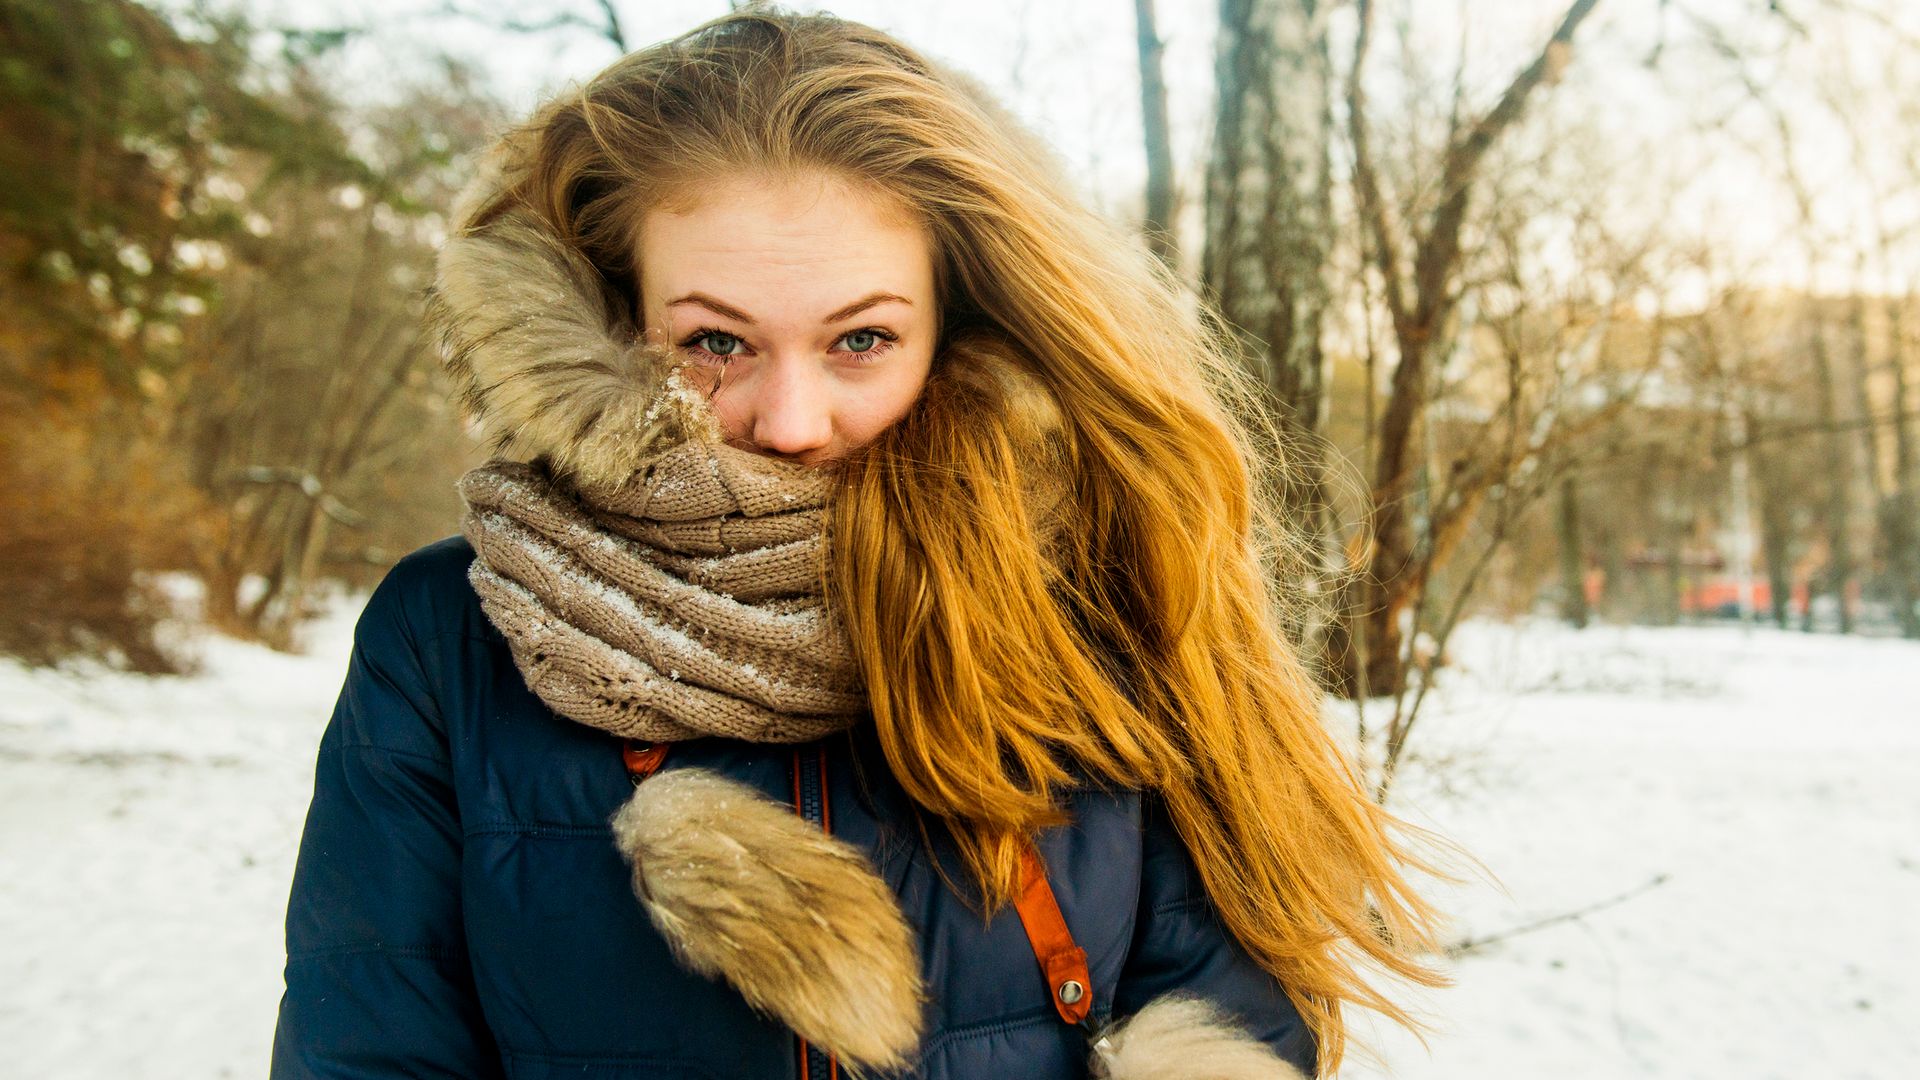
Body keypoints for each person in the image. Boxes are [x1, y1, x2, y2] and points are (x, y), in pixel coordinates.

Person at [269, 9, 1449, 1079]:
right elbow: (370, 1048)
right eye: (718, 343)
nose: (790, 424)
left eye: (862, 341)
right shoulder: (450, 636)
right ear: (610, 315)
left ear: (957, 323)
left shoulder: (1097, 598)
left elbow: (1228, 1021)